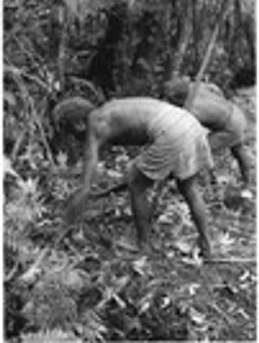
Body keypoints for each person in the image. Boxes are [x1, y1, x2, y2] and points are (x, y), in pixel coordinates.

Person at [53, 96, 214, 259]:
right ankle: (206, 244)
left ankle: (144, 246)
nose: (73, 138)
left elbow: (85, 188)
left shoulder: (96, 125)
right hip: (188, 122)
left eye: (70, 132)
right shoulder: (109, 110)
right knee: (188, 188)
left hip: (170, 130)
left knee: (137, 185)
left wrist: (63, 227)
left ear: (78, 124)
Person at [165, 77, 250, 191]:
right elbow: (214, 88)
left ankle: (194, 182)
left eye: (170, 99)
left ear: (178, 99)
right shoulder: (195, 87)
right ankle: (247, 182)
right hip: (235, 112)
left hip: (230, 128)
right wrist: (219, 103)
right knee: (237, 149)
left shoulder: (190, 110)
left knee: (198, 152)